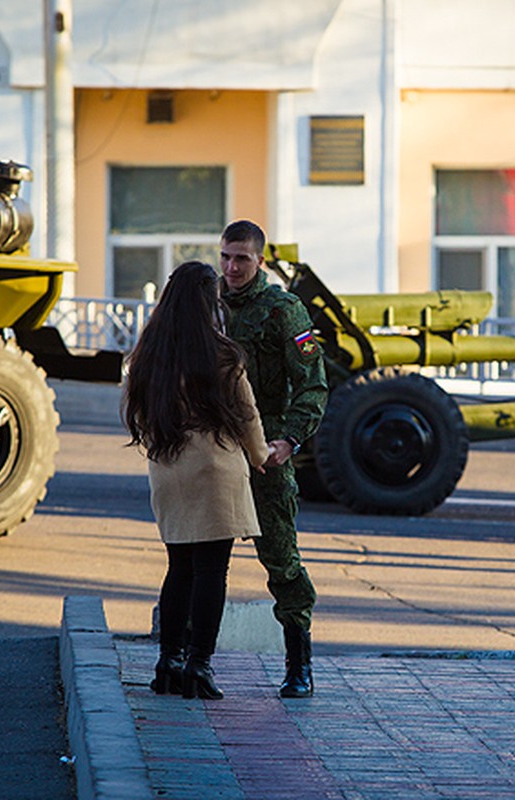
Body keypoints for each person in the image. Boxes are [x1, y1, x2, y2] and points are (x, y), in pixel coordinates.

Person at [123, 261, 271, 701]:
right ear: (210, 301)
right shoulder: (222, 353)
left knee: (179, 568)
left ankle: (168, 661)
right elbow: (247, 414)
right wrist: (261, 455)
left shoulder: (148, 353)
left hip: (169, 470)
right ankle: (199, 666)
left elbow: (138, 411)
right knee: (212, 572)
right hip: (216, 471)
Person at [219, 219, 329, 699]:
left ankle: (298, 664)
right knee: (201, 557)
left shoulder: (284, 310)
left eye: (241, 258)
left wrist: (289, 441)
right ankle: (189, 659)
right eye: (225, 256)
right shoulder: (209, 306)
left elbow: (313, 384)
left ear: (260, 261)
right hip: (216, 450)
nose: (231, 267)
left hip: (265, 452)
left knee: (282, 560)